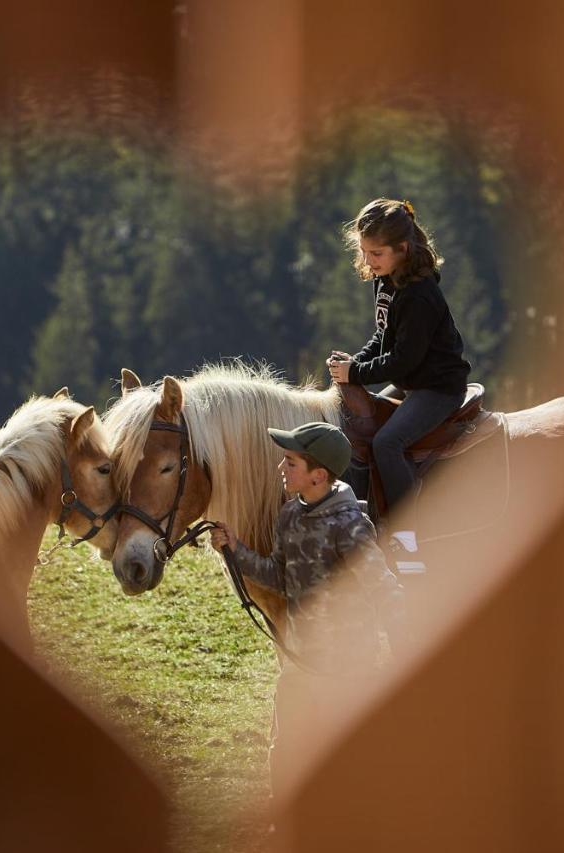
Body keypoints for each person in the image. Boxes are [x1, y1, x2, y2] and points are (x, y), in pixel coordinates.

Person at [209, 421, 405, 800]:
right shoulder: (289, 517)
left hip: (346, 672)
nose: (281, 469)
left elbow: (383, 587)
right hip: (299, 662)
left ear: (318, 476)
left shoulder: (350, 526)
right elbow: (281, 578)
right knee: (285, 752)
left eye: (290, 462)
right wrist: (236, 549)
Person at [326, 198, 472, 535]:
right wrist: (355, 364)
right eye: (363, 252)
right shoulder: (386, 279)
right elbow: (383, 336)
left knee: (387, 443)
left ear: (402, 248)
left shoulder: (419, 294)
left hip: (437, 389)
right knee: (353, 421)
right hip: (412, 382)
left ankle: (410, 532)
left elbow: (406, 358)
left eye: (376, 253)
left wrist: (357, 373)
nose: (367, 260)